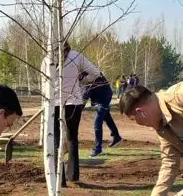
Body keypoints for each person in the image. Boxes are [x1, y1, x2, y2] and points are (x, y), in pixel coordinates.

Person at [43, 42, 100, 183]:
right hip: (73, 102)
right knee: (72, 138)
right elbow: (96, 73)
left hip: (54, 104)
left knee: (56, 139)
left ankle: (59, 179)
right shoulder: (76, 56)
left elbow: (44, 83)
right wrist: (83, 80)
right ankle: (73, 175)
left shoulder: (46, 60)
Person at [84, 73, 123, 157]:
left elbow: (87, 93)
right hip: (103, 96)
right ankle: (117, 137)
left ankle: (98, 149)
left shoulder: (89, 75)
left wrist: (80, 107)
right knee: (107, 117)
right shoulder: (89, 71)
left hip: (104, 98)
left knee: (97, 122)